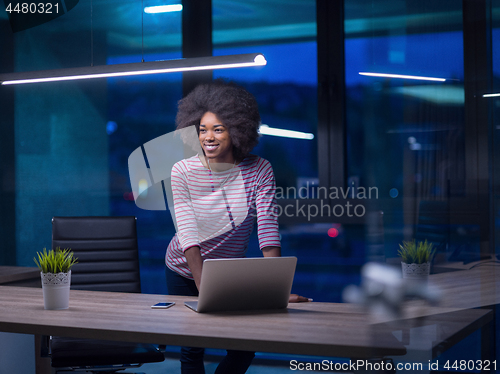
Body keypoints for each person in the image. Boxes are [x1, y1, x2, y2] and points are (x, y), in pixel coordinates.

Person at [165, 79, 309, 374]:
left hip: (229, 270)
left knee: (244, 344)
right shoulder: (182, 171)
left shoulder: (259, 169)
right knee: (192, 347)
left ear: (238, 130)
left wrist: (274, 289)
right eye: (203, 129)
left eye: (218, 128)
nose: (208, 137)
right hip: (184, 267)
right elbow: (187, 231)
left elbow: (267, 227)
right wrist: (204, 286)